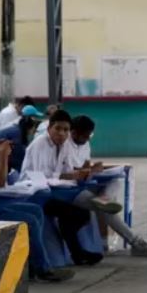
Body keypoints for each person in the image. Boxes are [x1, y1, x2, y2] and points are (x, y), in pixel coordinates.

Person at [0, 139, 75, 283]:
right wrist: (3, 156)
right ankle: (43, 269)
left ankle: (32, 266)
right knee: (30, 221)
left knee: (35, 210)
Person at [20, 110, 102, 266]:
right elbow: (41, 177)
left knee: (80, 214)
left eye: (65, 130)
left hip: (49, 188)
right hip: (34, 192)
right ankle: (77, 252)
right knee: (77, 213)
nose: (62, 133)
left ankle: (77, 253)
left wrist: (78, 174)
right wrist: (70, 177)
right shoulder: (40, 143)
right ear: (49, 127)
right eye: (58, 128)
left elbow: (57, 174)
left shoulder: (60, 145)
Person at [62, 115, 147, 257]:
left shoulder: (85, 143)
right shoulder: (64, 145)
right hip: (72, 189)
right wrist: (89, 171)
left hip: (85, 183)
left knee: (115, 181)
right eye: (85, 136)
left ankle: (104, 198)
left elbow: (84, 166)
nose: (88, 139)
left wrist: (93, 169)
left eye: (90, 135)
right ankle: (135, 241)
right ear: (74, 133)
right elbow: (67, 173)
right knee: (105, 209)